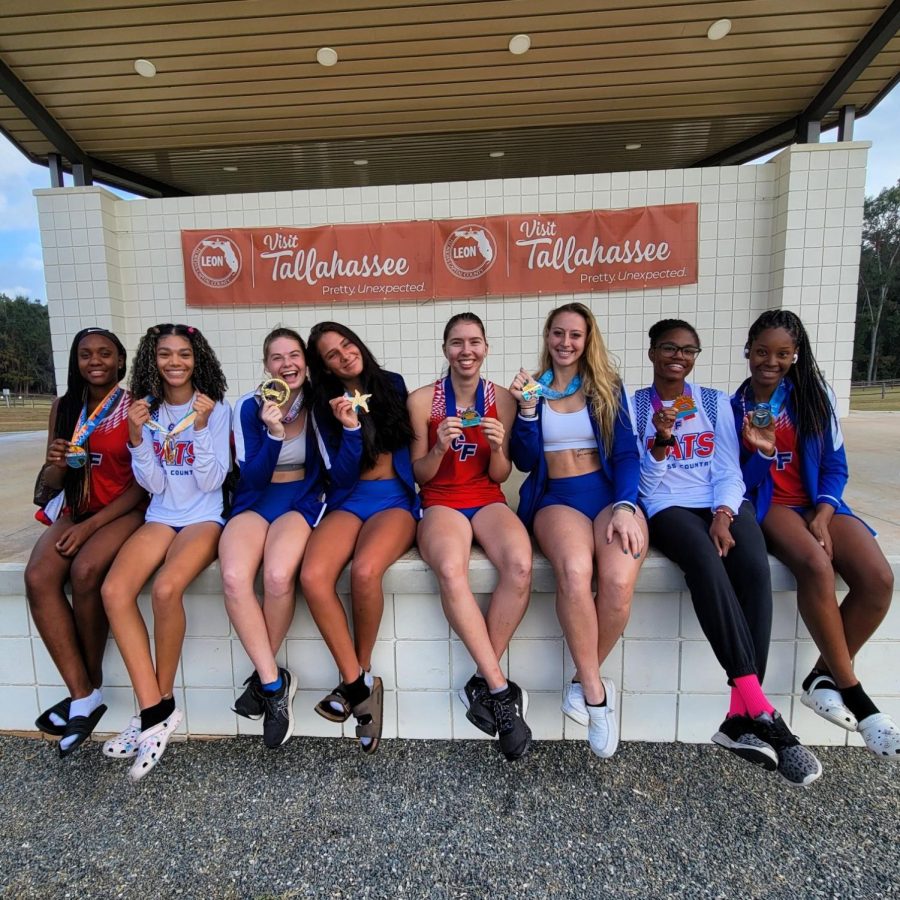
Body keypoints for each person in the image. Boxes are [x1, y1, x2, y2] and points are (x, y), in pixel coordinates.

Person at [634, 317, 821, 786]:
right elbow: (644, 484)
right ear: (653, 352)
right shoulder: (635, 406)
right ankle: (759, 709)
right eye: (669, 348)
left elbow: (727, 469)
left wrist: (723, 513)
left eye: (689, 349)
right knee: (703, 562)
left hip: (719, 500)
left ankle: (740, 715)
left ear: (696, 356)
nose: (679, 356)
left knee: (754, 568)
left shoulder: (715, 402)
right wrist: (660, 440)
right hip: (666, 506)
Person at [734, 309, 898, 759]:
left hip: (819, 502)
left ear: (795, 354)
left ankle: (821, 676)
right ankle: (858, 698)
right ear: (748, 351)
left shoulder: (813, 395)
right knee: (815, 565)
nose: (771, 360)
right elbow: (742, 481)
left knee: (878, 579)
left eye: (783, 353)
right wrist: (761, 452)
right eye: (763, 351)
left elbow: (835, 464)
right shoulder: (737, 405)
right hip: (772, 505)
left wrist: (825, 512)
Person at [509, 301, 646, 760]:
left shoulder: (605, 387)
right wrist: (527, 412)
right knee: (573, 570)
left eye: (575, 335)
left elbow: (627, 454)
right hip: (558, 498)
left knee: (617, 583)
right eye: (558, 333)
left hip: (609, 497)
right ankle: (594, 694)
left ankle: (577, 680)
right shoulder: (532, 389)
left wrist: (627, 507)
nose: (565, 343)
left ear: (588, 341)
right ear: (547, 336)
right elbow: (525, 462)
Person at [100, 324, 231, 781]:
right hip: (161, 514)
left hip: (203, 517)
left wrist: (197, 428)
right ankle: (155, 709)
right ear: (151, 360)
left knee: (165, 589)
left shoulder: (214, 410)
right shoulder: (146, 412)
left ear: (198, 360)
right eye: (165, 354)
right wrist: (136, 437)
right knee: (115, 590)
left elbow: (211, 481)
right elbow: (153, 484)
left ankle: (158, 711)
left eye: (184, 354)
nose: (175, 362)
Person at [408, 313, 533, 761]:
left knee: (520, 565)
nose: (467, 350)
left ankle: (482, 681)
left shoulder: (502, 398)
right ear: (445, 349)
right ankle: (500, 692)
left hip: (487, 496)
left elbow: (502, 474)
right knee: (449, 566)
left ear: (486, 347)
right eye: (457, 343)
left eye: (475, 342)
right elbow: (419, 475)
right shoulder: (423, 401)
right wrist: (439, 447)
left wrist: (499, 447)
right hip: (441, 500)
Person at [25, 327, 146, 757]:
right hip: (76, 507)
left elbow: (142, 486)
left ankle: (88, 685)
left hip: (123, 509)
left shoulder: (134, 407)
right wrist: (55, 463)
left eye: (104, 354)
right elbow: (48, 486)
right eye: (85, 355)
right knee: (38, 575)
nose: (94, 361)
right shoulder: (64, 407)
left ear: (119, 360)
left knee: (86, 569)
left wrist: (91, 528)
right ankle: (83, 694)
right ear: (76, 362)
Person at [299, 322, 419, 754]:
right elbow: (340, 475)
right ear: (324, 366)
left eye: (347, 345)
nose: (344, 355)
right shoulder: (323, 407)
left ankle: (360, 672)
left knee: (366, 571)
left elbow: (411, 446)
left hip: (394, 501)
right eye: (332, 354)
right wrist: (348, 430)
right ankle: (358, 685)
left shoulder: (392, 385)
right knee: (313, 576)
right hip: (349, 499)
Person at [220, 328, 325, 749]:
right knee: (233, 578)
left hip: (300, 497)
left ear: (305, 361)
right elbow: (253, 475)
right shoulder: (249, 405)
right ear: (266, 366)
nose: (287, 364)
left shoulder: (320, 402)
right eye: (277, 358)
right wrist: (274, 432)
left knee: (279, 576)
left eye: (294, 355)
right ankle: (273, 683)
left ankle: (263, 681)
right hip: (256, 498)